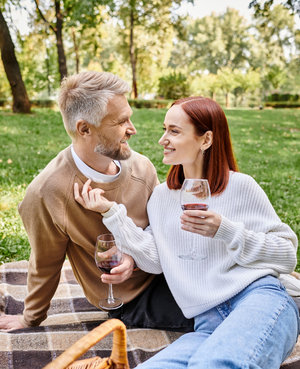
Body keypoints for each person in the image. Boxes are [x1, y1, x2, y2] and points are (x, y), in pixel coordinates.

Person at [75, 96, 300, 369]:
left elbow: (286, 255)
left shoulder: (241, 188)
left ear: (206, 140)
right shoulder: (163, 197)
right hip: (207, 324)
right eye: (165, 129)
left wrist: (224, 230)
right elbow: (155, 259)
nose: (162, 138)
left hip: (258, 302)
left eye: (174, 130)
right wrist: (111, 212)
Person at [0, 71, 193, 333]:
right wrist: (30, 318)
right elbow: (44, 264)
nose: (132, 130)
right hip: (130, 298)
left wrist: (134, 260)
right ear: (84, 128)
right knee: (212, 314)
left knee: (237, 286)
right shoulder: (47, 193)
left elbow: (163, 228)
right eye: (121, 121)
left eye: (130, 118)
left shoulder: (142, 168)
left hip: (171, 267)